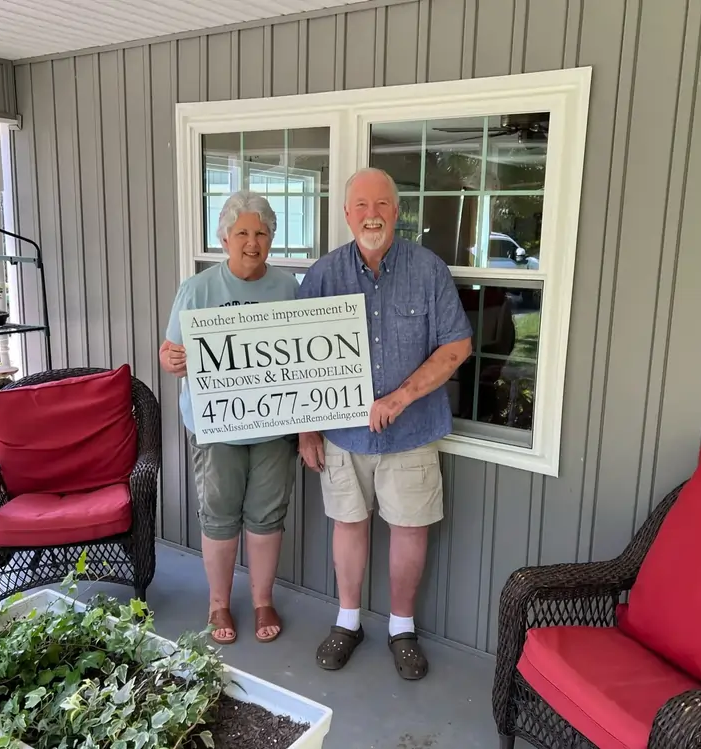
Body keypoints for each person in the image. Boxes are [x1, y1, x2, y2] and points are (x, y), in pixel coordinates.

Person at [296, 167, 473, 680]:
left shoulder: (428, 270)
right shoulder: (324, 275)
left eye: (382, 205)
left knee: (409, 528)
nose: (371, 215)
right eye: (360, 206)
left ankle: (402, 628)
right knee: (348, 524)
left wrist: (402, 396)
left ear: (397, 212)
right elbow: (302, 361)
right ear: (347, 214)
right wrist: (308, 429)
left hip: (412, 432)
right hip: (342, 432)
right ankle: (347, 621)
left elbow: (457, 345)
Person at [159, 190, 300, 646]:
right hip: (216, 422)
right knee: (219, 514)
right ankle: (218, 601)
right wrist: (172, 359)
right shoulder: (197, 288)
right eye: (243, 232)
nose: (253, 241)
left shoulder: (287, 288)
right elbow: (168, 351)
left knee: (267, 514)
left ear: (272, 238)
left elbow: (301, 353)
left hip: (274, 422)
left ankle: (262, 600)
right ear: (224, 238)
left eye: (262, 232)